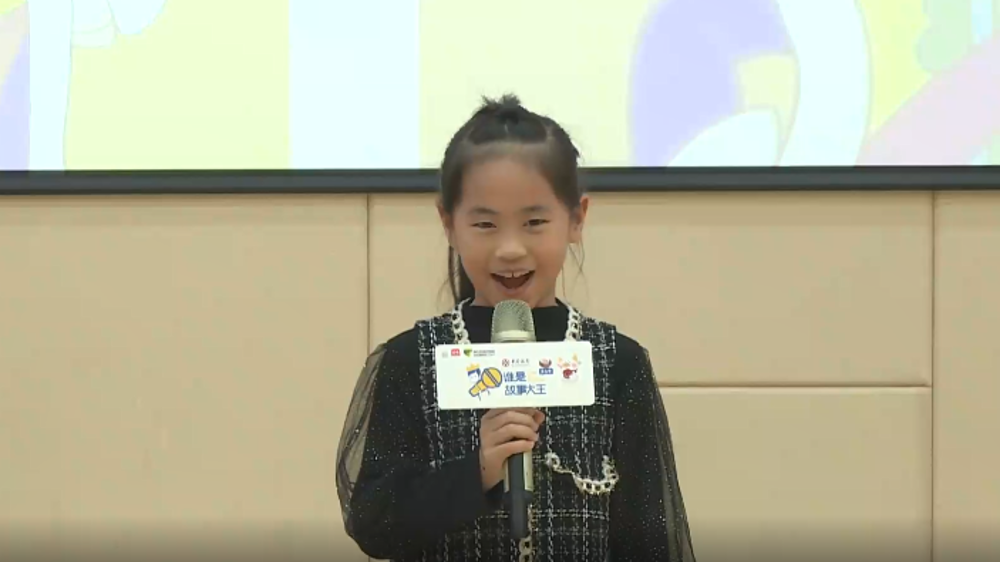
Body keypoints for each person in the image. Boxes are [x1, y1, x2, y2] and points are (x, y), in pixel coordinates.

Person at [336, 94, 696, 562]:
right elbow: (374, 523)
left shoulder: (614, 363)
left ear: (576, 219)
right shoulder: (413, 361)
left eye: (534, 222)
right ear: (448, 223)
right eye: (485, 224)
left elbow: (649, 536)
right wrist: (477, 473)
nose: (510, 248)